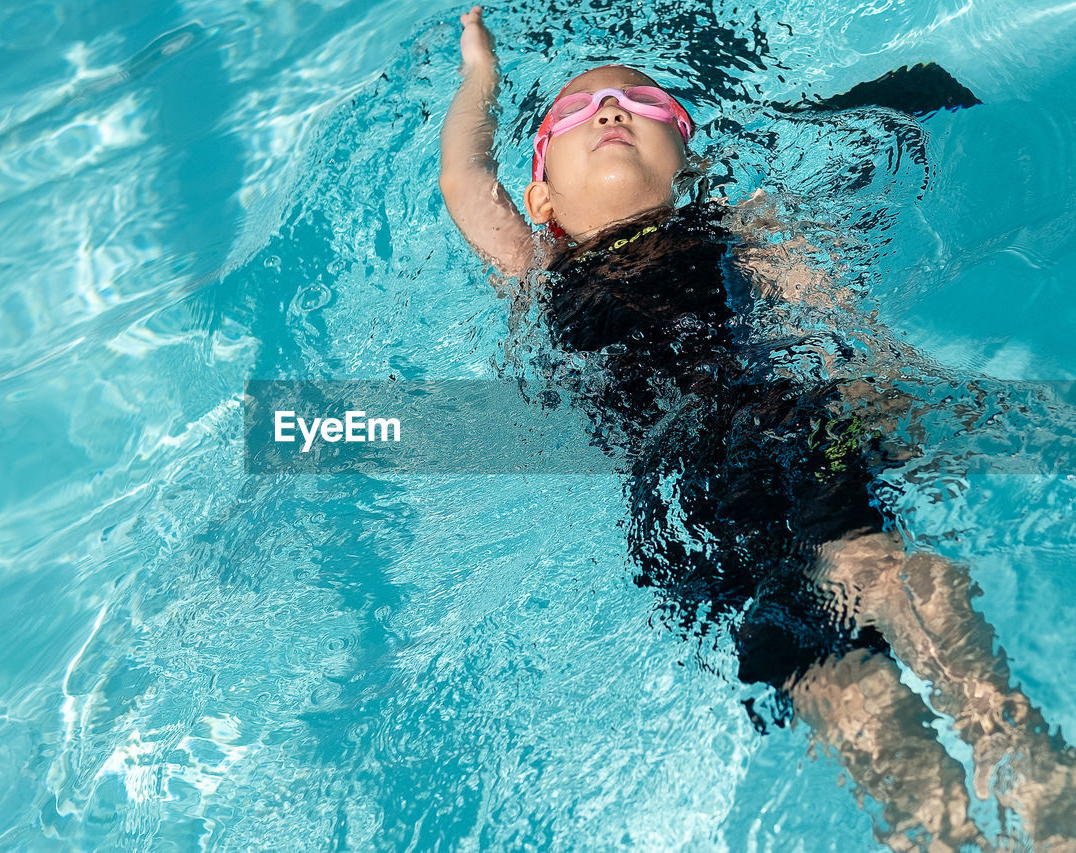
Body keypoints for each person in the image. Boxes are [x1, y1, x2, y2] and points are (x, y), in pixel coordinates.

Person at [439, 6, 1076, 851]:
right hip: (690, 507)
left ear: (689, 157)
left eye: (642, 100)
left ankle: (1032, 770)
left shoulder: (744, 228)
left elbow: (835, 337)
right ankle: (940, 833)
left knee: (897, 580)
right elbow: (461, 182)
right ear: (541, 195)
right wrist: (478, 78)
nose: (614, 110)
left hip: (796, 437)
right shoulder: (538, 272)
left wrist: (892, 395)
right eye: (577, 113)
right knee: (829, 678)